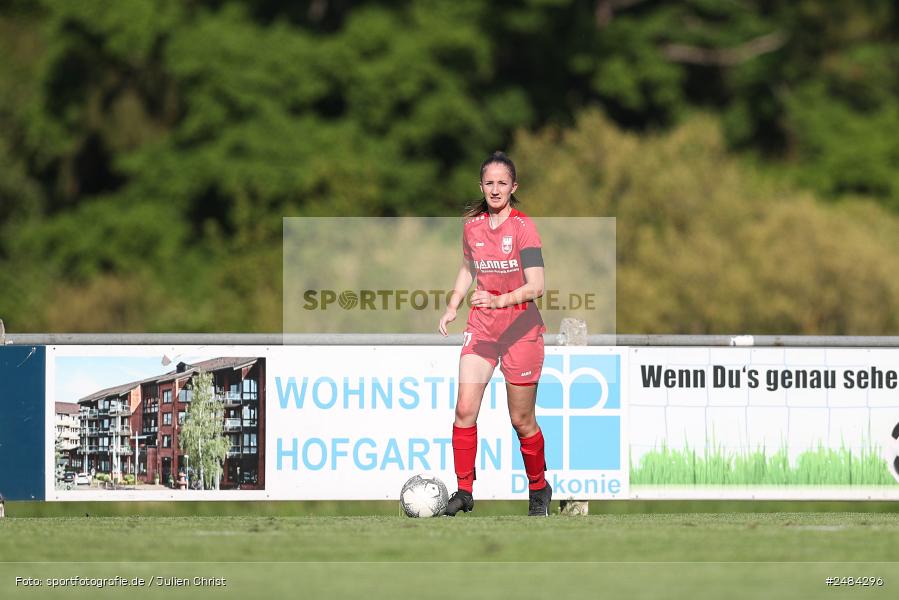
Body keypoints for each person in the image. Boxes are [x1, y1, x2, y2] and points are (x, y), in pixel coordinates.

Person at [438, 151, 551, 516]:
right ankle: (464, 491)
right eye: (490, 183)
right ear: (482, 186)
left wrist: (500, 300)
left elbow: (537, 285)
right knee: (464, 408)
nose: (496, 189)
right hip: (483, 328)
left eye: (503, 183)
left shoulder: (523, 228)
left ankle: (539, 489)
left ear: (513, 187)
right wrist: (454, 304)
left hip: (521, 332)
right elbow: (468, 266)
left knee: (521, 421)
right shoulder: (472, 226)